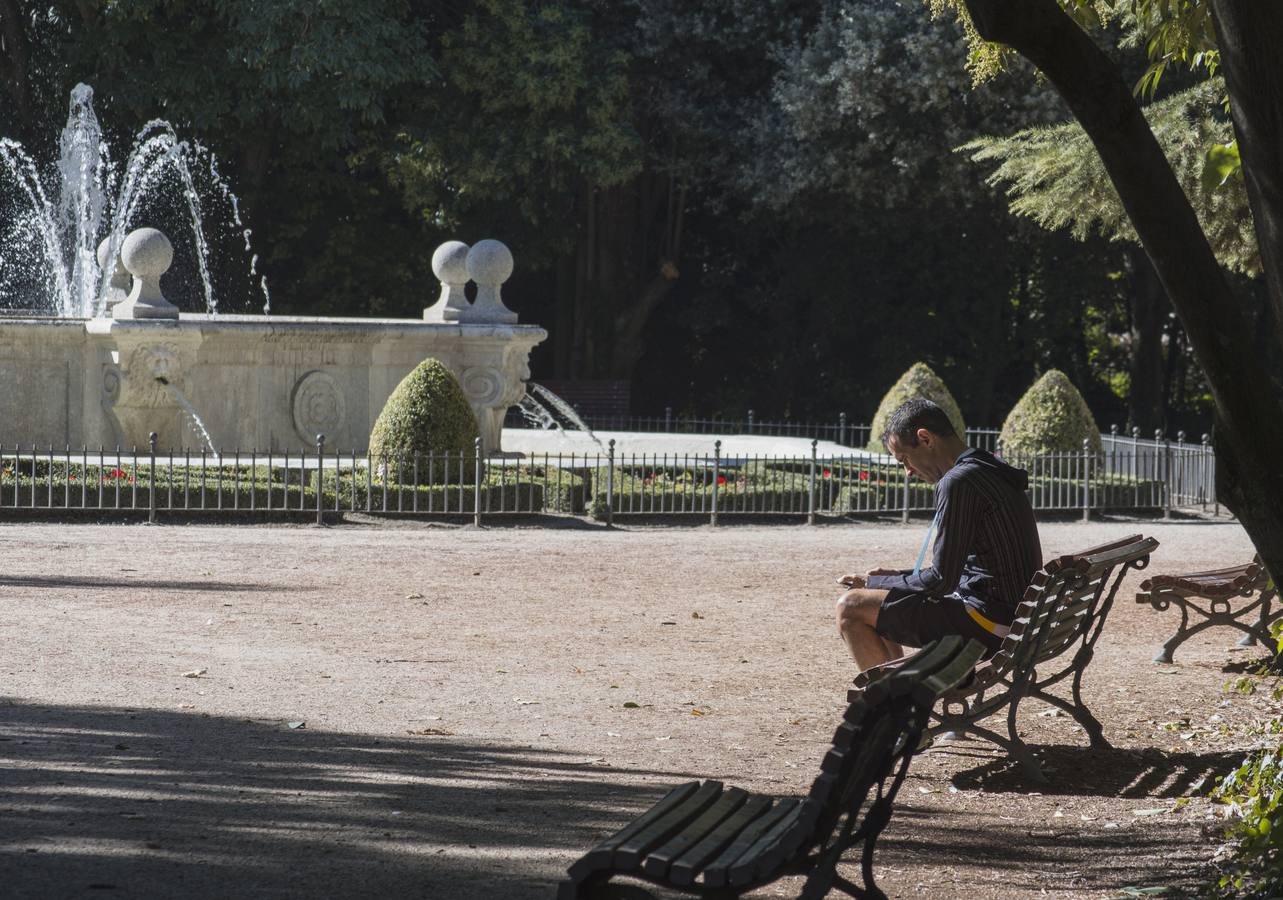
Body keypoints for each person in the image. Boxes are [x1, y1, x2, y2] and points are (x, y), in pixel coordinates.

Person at [835, 397, 1042, 671]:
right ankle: (890, 695)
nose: (908, 472)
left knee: (851, 606)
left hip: (988, 626)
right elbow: (959, 570)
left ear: (925, 438)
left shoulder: (957, 483)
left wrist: (877, 583)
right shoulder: (988, 468)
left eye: (904, 459)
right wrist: (892, 579)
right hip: (1015, 619)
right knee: (877, 602)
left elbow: (942, 581)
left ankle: (889, 703)